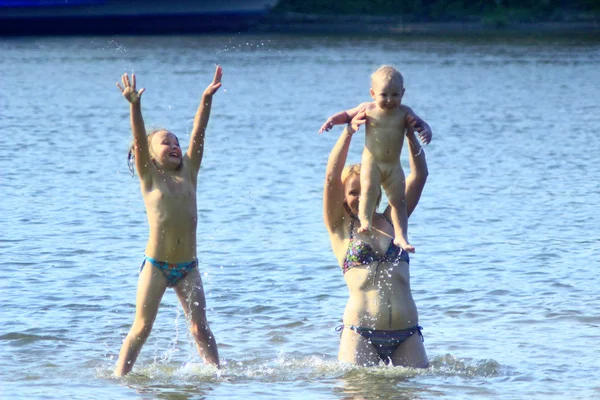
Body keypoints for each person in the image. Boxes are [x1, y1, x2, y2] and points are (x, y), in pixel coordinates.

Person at [113, 66, 222, 376]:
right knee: (142, 326)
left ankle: (217, 373)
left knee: (200, 328)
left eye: (176, 142)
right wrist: (135, 106)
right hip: (156, 266)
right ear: (146, 154)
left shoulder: (189, 173)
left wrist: (205, 99)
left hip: (189, 267)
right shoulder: (150, 179)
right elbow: (138, 135)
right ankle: (120, 375)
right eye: (165, 143)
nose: (174, 146)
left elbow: (198, 133)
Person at [323, 108, 431, 367]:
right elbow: (330, 178)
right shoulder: (340, 227)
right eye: (353, 192)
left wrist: (409, 135)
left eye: (367, 188)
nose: (361, 196)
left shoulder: (395, 218)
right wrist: (348, 133)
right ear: (344, 195)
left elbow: (420, 176)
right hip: (360, 334)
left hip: (408, 334)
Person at [319, 65, 432, 253]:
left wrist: (418, 133)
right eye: (384, 95)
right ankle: (365, 221)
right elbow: (347, 115)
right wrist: (336, 122)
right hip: (373, 163)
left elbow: (420, 173)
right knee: (369, 187)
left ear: (402, 93)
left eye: (395, 95)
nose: (389, 100)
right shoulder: (339, 226)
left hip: (393, 165)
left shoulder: (404, 112)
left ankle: (401, 237)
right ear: (372, 93)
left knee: (399, 201)